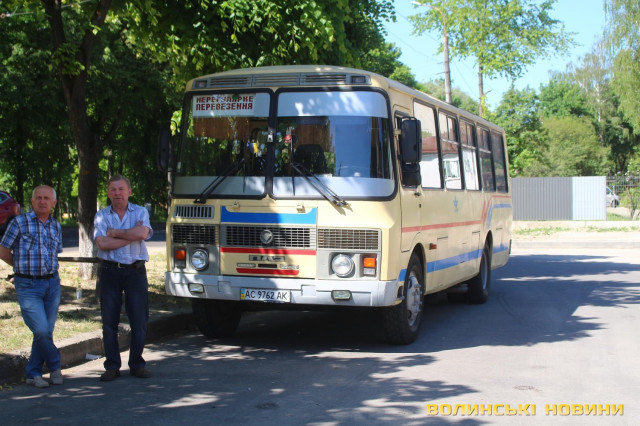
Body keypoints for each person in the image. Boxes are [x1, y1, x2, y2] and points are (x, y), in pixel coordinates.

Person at [0, 185, 63, 388]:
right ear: (32, 201)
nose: (42, 201)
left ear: (54, 203)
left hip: (52, 284)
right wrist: (19, 267)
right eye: (39, 198)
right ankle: (55, 365)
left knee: (45, 332)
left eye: (46, 198)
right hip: (27, 284)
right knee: (42, 330)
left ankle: (33, 373)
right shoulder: (19, 222)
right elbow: (3, 251)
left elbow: (55, 253)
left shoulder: (56, 226)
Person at [94, 175, 153, 382]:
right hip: (109, 272)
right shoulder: (101, 215)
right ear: (108, 193)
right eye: (113, 189)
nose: (117, 193)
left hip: (135, 272)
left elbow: (143, 233)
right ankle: (112, 366)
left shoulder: (140, 211)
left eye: (121, 189)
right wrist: (130, 235)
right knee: (109, 322)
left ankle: (137, 364)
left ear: (129, 191)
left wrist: (115, 233)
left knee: (139, 320)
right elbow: (102, 244)